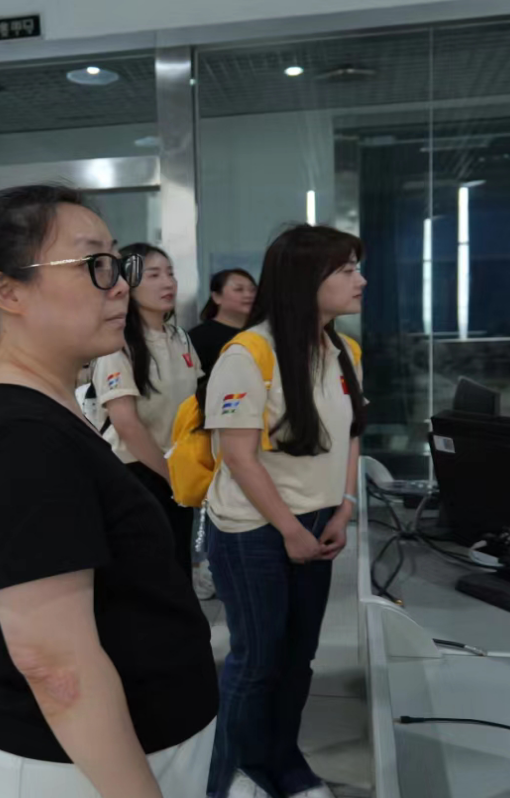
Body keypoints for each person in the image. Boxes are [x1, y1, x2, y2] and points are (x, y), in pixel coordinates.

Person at [0, 186, 219, 798]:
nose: (120, 286)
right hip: (73, 772)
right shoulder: (14, 440)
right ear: (7, 292)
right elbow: (56, 667)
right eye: (94, 264)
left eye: (118, 263)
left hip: (110, 756)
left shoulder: (43, 412)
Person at [201, 226, 368, 798]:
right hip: (254, 531)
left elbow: (352, 436)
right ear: (305, 279)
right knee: (257, 660)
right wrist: (291, 529)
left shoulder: (345, 351)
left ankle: (281, 762)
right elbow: (238, 457)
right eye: (346, 270)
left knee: (298, 659)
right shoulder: (248, 353)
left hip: (318, 522)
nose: (360, 281)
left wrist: (344, 508)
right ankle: (227, 776)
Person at [92, 243, 201, 578]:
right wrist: (170, 476)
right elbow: (126, 424)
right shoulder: (115, 344)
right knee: (148, 575)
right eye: (153, 275)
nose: (168, 282)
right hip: (136, 473)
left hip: (177, 471)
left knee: (178, 568)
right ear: (127, 284)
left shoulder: (179, 338)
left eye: (170, 273)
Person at [190, 269, 257, 375]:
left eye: (253, 290)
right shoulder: (197, 338)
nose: (248, 295)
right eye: (239, 289)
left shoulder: (260, 332)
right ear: (217, 297)